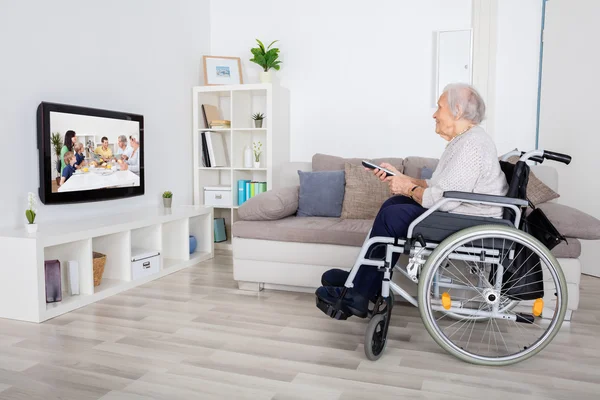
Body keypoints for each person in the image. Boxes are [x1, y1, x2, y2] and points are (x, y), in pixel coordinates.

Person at [316, 83, 509, 318]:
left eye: (439, 108)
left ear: (457, 111)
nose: (434, 114)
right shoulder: (463, 141)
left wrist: (407, 189)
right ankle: (363, 280)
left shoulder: (472, 145)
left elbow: (445, 200)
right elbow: (438, 186)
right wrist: (400, 178)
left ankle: (360, 292)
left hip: (470, 220)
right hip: (463, 213)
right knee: (393, 205)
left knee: (393, 215)